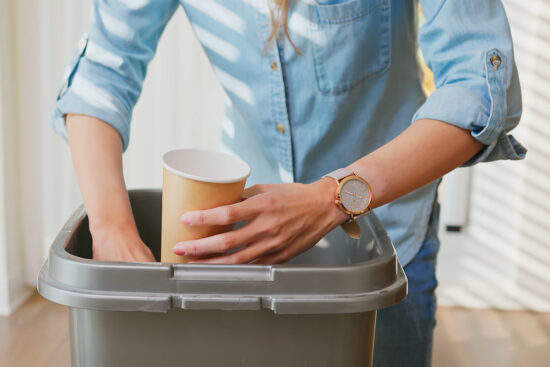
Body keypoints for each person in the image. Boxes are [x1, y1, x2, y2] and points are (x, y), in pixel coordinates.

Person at [51, 0, 525, 365]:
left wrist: (333, 198)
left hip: (385, 236)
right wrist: (112, 231)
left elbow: (477, 86)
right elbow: (101, 73)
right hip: (244, 250)